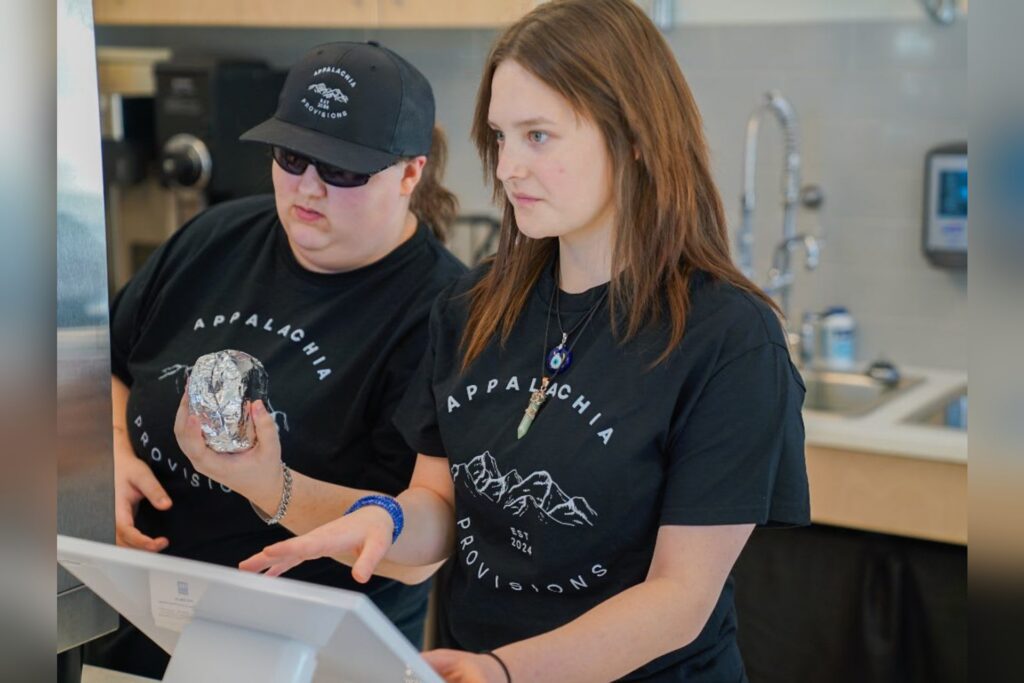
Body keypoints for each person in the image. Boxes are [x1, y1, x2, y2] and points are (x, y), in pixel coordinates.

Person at [235, 1, 811, 680]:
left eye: (538, 136)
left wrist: (507, 671)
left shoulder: (729, 340)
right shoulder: (473, 306)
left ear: (632, 134)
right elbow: (441, 505)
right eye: (501, 137)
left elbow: (678, 598)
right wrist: (383, 519)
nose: (506, 169)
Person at [84, 41, 467, 679]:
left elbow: (416, 550)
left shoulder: (445, 314)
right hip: (147, 627)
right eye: (291, 157)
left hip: (311, 655)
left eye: (343, 171)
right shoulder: (213, 238)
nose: (308, 188)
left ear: (410, 174)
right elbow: (111, 371)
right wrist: (112, 451)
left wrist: (273, 489)